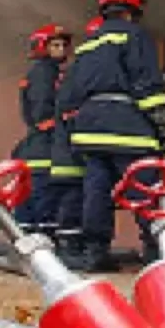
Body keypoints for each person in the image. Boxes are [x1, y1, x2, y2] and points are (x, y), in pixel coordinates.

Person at [67, 0, 165, 272]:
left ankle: (95, 252)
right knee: (144, 186)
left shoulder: (88, 44)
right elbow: (145, 80)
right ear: (134, 8)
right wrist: (162, 121)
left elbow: (73, 91)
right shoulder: (135, 36)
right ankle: (155, 252)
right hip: (126, 123)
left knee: (97, 189)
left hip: (89, 126)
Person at [48, 16, 104, 268]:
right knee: (72, 200)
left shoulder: (78, 70)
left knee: (81, 198)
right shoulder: (79, 73)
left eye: (63, 45)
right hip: (71, 151)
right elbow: (68, 112)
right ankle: (69, 251)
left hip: (75, 147)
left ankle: (75, 249)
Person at [15, 24, 72, 234]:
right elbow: (42, 109)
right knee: (44, 195)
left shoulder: (47, 72)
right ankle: (42, 244)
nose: (62, 49)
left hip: (39, 144)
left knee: (34, 197)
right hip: (45, 145)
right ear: (41, 47)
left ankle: (28, 241)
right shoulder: (44, 72)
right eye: (55, 45)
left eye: (63, 45)